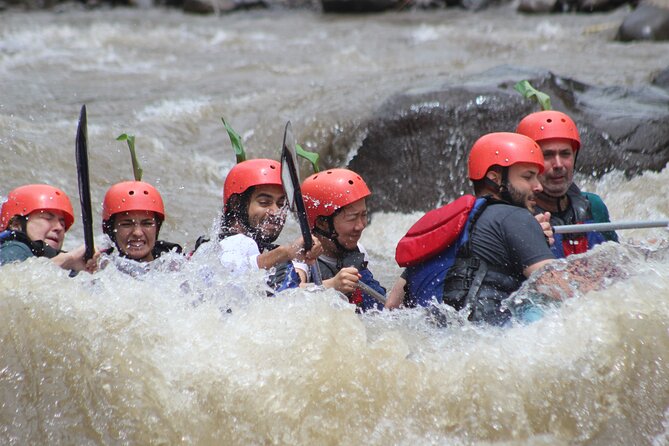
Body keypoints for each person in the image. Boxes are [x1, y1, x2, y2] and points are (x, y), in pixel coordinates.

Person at [386, 132, 555, 325]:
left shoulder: (446, 227)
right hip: (490, 339)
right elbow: (557, 289)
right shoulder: (516, 217)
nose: (538, 186)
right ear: (495, 178)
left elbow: (392, 304)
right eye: (528, 177)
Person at [516, 110, 618, 258]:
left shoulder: (594, 206)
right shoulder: (516, 218)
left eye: (565, 154)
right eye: (547, 155)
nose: (558, 164)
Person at [214, 158, 321, 290]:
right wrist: (286, 252)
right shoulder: (231, 244)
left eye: (281, 204)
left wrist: (301, 263)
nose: (276, 212)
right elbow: (235, 271)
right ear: (236, 204)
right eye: (264, 202)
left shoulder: (264, 250)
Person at [299, 168, 386, 312]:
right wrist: (332, 285)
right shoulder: (300, 256)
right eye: (352, 218)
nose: (360, 226)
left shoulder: (358, 249)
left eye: (363, 215)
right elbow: (286, 294)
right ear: (322, 223)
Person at [0, 184, 95, 271]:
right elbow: (12, 280)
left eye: (62, 223)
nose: (59, 228)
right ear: (16, 225)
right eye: (47, 218)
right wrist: (68, 260)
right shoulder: (14, 248)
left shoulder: (60, 262)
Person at [102, 180, 182, 263]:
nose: (137, 233)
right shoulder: (98, 265)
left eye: (147, 224)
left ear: (157, 228)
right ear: (110, 230)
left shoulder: (177, 263)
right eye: (126, 224)